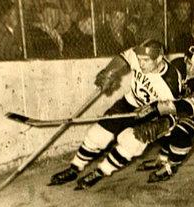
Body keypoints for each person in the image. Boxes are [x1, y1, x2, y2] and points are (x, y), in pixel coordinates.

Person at [49, 39, 181, 190]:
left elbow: (174, 110)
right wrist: (110, 71)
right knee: (97, 134)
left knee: (131, 142)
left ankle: (101, 172)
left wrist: (157, 121)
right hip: (129, 103)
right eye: (139, 60)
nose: (141, 64)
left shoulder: (170, 82)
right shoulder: (138, 54)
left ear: (159, 58)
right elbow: (123, 58)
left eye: (146, 61)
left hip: (151, 114)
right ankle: (74, 168)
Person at [136, 45, 194, 182]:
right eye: (189, 63)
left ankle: (171, 166)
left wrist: (156, 108)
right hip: (182, 104)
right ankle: (162, 159)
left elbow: (188, 107)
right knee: (161, 125)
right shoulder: (177, 65)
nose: (190, 69)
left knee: (181, 130)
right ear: (185, 59)